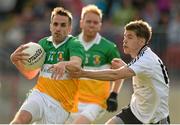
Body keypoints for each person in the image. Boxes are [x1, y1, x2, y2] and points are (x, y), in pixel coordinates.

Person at [66, 20, 170, 124]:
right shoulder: (142, 57)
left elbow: (115, 74)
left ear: (141, 41)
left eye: (130, 37)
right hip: (136, 111)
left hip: (155, 117)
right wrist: (125, 67)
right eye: (125, 36)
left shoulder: (146, 60)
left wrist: (82, 73)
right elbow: (143, 75)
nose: (124, 40)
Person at [10, 7, 85, 124]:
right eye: (55, 24)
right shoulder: (42, 44)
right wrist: (17, 62)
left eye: (63, 25)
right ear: (50, 26)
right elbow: (31, 75)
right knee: (20, 120)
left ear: (70, 28)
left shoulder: (74, 44)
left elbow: (77, 65)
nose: (58, 28)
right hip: (39, 94)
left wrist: (64, 63)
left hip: (60, 105)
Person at [67, 4, 123, 124]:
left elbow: (120, 71)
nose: (92, 24)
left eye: (95, 22)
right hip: (72, 99)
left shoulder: (108, 47)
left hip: (96, 101)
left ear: (100, 26)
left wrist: (114, 94)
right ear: (81, 23)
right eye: (89, 21)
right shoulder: (71, 44)